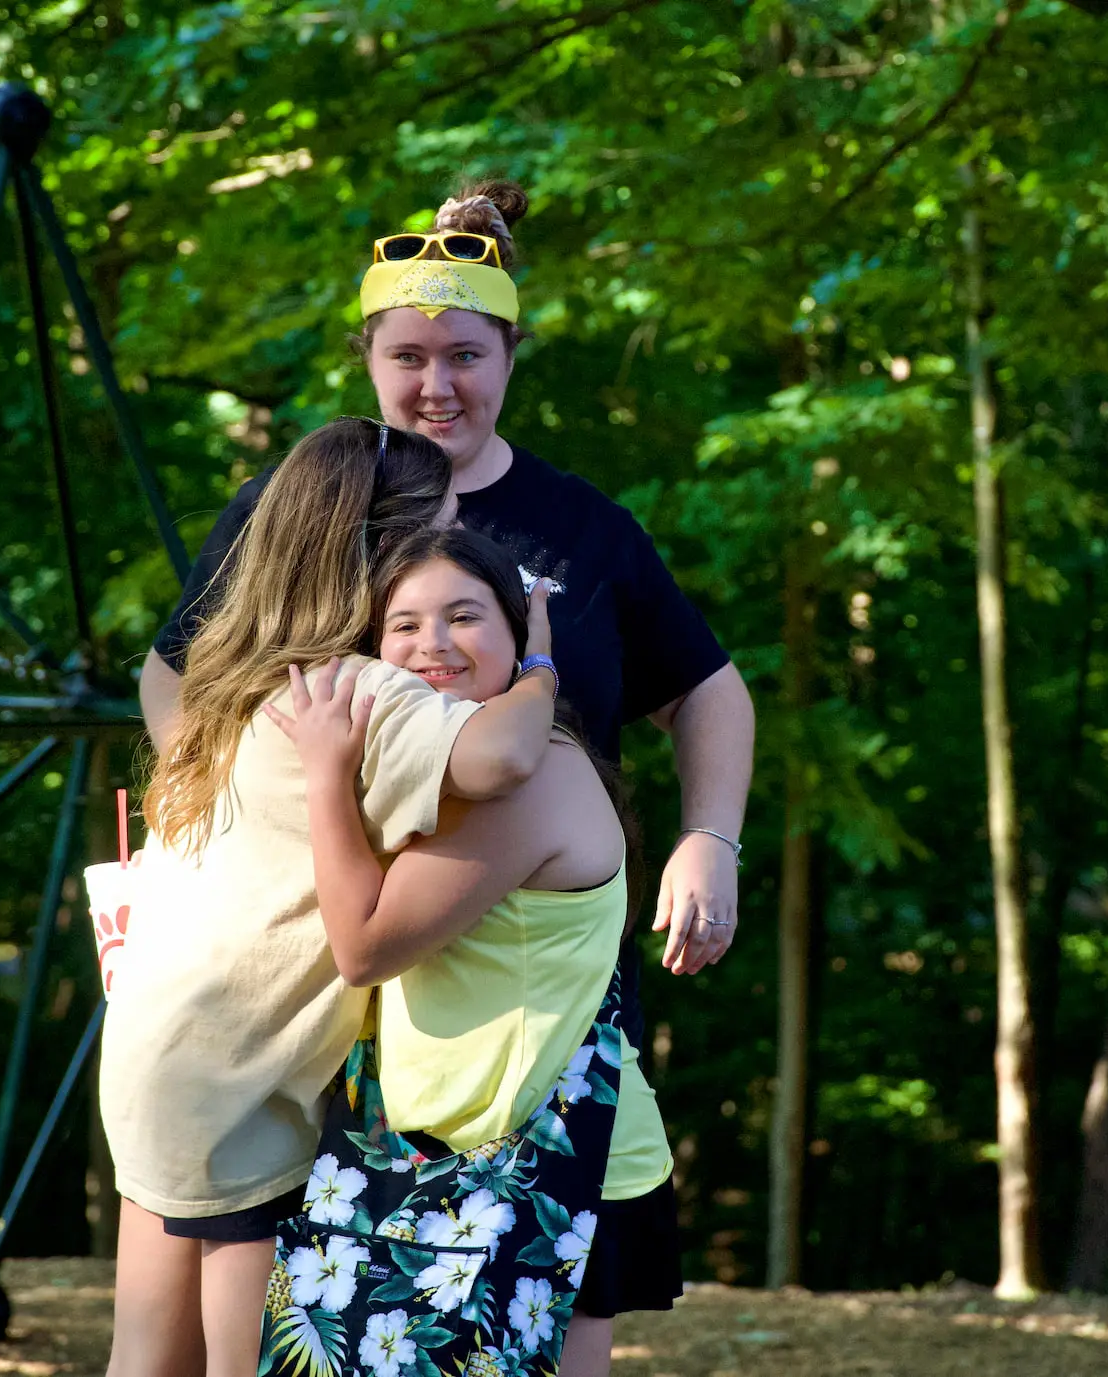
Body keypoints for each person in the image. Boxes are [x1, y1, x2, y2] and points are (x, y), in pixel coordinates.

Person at [138, 180, 754, 1035]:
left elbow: (707, 689)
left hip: (546, 992)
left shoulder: (586, 529)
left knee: (578, 1172)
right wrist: (215, 834)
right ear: (368, 359)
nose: (438, 386)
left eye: (466, 355)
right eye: (408, 358)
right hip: (339, 991)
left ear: (509, 356)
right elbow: (177, 676)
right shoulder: (298, 509)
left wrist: (709, 841)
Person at [97, 417, 560, 1377]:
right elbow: (508, 757)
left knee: (143, 1355)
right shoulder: (355, 694)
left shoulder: (235, 668)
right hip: (244, 1085)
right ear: (379, 552)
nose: (446, 551)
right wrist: (540, 658)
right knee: (251, 1362)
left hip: (158, 1052)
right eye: (433, 530)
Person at [266, 528, 679, 1377]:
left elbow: (365, 946)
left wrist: (324, 772)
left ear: (522, 633)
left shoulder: (530, 778)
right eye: (404, 625)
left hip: (553, 1158)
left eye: (464, 615)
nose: (433, 644)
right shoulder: (471, 764)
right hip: (463, 1143)